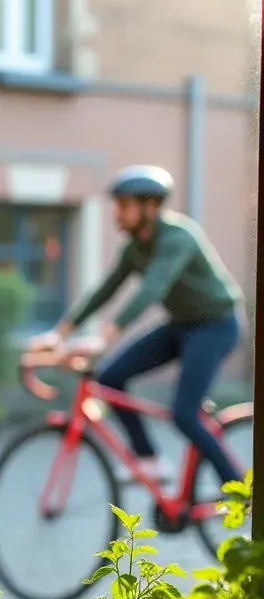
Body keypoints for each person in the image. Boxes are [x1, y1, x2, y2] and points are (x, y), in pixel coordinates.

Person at [32, 164, 243, 485]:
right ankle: (149, 460)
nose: (117, 214)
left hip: (216, 326)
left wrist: (105, 336)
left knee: (184, 415)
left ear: (151, 206)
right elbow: (105, 290)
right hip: (182, 325)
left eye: (124, 206)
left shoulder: (178, 237)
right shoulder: (135, 249)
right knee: (111, 377)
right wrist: (60, 333)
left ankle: (241, 490)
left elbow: (152, 288)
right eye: (117, 206)